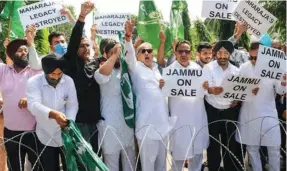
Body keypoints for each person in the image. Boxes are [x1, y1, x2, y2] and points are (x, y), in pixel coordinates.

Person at [124, 20, 176, 171]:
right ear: (137, 54)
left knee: (161, 166)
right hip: (146, 127)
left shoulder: (156, 68)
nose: (147, 53)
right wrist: (129, 38)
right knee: (148, 166)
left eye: (149, 50)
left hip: (162, 125)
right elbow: (128, 55)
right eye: (143, 51)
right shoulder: (135, 68)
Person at [61, 3, 103, 168]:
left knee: (95, 161)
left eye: (87, 45)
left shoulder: (93, 64)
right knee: (82, 164)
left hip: (95, 124)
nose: (86, 48)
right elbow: (73, 42)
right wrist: (81, 18)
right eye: (81, 45)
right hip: (79, 124)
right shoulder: (72, 65)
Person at [235, 41, 286, 171]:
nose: (253, 60)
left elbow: (280, 91)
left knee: (274, 147)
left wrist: (284, 82)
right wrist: (248, 90)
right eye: (250, 57)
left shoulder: (273, 68)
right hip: (249, 113)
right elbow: (236, 89)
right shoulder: (244, 68)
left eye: (256, 58)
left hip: (269, 113)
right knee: (252, 148)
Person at [26, 54, 78, 171]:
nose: (56, 77)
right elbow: (33, 105)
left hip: (66, 134)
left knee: (70, 167)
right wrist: (53, 114)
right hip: (45, 134)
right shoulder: (34, 82)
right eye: (52, 74)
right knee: (49, 167)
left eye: (59, 74)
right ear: (45, 71)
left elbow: (72, 104)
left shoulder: (68, 81)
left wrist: (69, 121)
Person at [1, 25, 42, 171]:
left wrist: (29, 98)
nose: (24, 52)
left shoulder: (36, 71)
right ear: (12, 54)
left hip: (34, 132)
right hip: (10, 132)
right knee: (14, 167)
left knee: (37, 167)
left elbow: (44, 93)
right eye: (20, 50)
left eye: (26, 50)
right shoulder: (3, 71)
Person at [94, 41, 135, 171]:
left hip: (126, 122)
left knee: (129, 161)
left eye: (118, 53)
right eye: (111, 53)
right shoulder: (102, 70)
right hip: (110, 124)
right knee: (111, 164)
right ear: (104, 55)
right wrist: (114, 55)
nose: (117, 56)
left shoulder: (125, 71)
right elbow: (100, 76)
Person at [203, 40, 243, 171]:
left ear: (230, 55)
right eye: (220, 53)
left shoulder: (236, 71)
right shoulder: (208, 68)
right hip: (212, 111)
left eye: (226, 53)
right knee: (213, 144)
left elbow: (239, 91)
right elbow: (204, 87)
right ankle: (214, 168)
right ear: (215, 54)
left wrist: (237, 100)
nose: (222, 56)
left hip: (229, 112)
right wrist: (210, 90)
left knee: (230, 144)